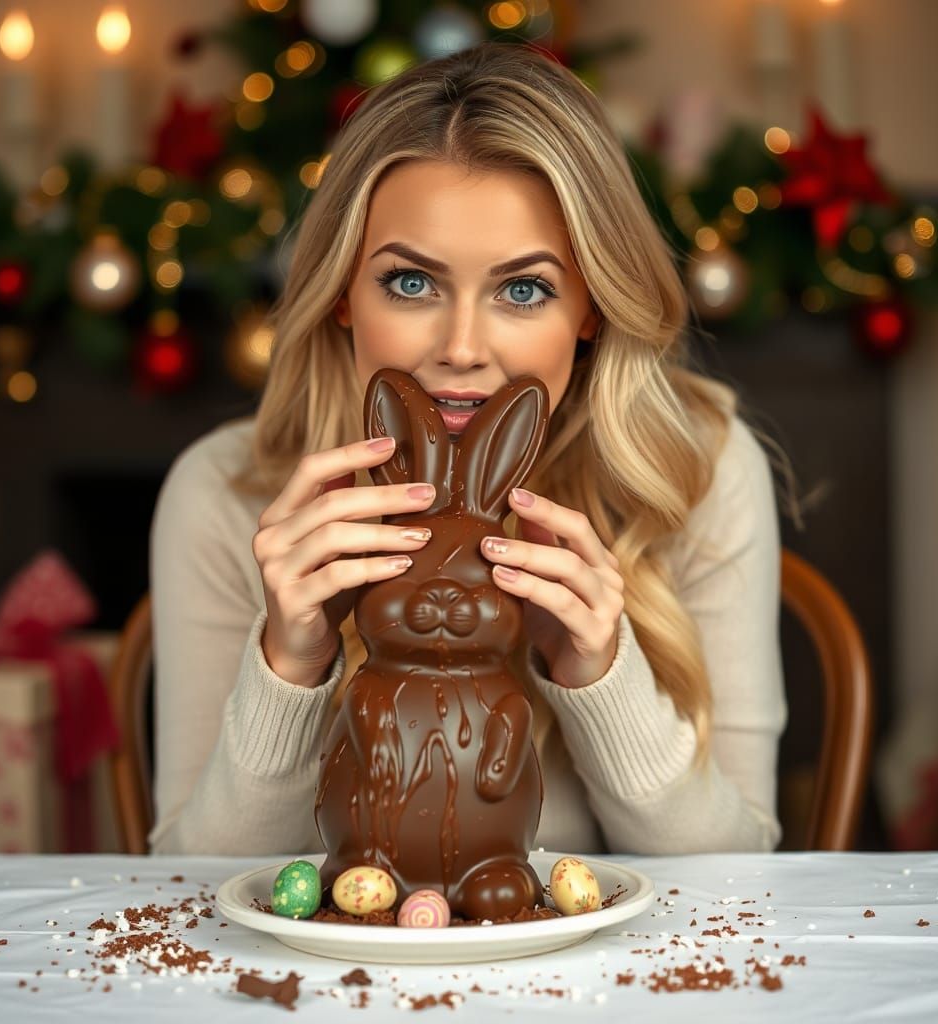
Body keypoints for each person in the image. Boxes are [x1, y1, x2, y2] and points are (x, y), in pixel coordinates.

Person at [148, 41, 795, 858]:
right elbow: (183, 887)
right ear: (343, 289)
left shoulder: (696, 470)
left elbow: (744, 877)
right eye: (411, 283)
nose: (461, 348)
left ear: (591, 307)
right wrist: (290, 666)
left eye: (523, 290)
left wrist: (598, 674)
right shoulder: (223, 493)